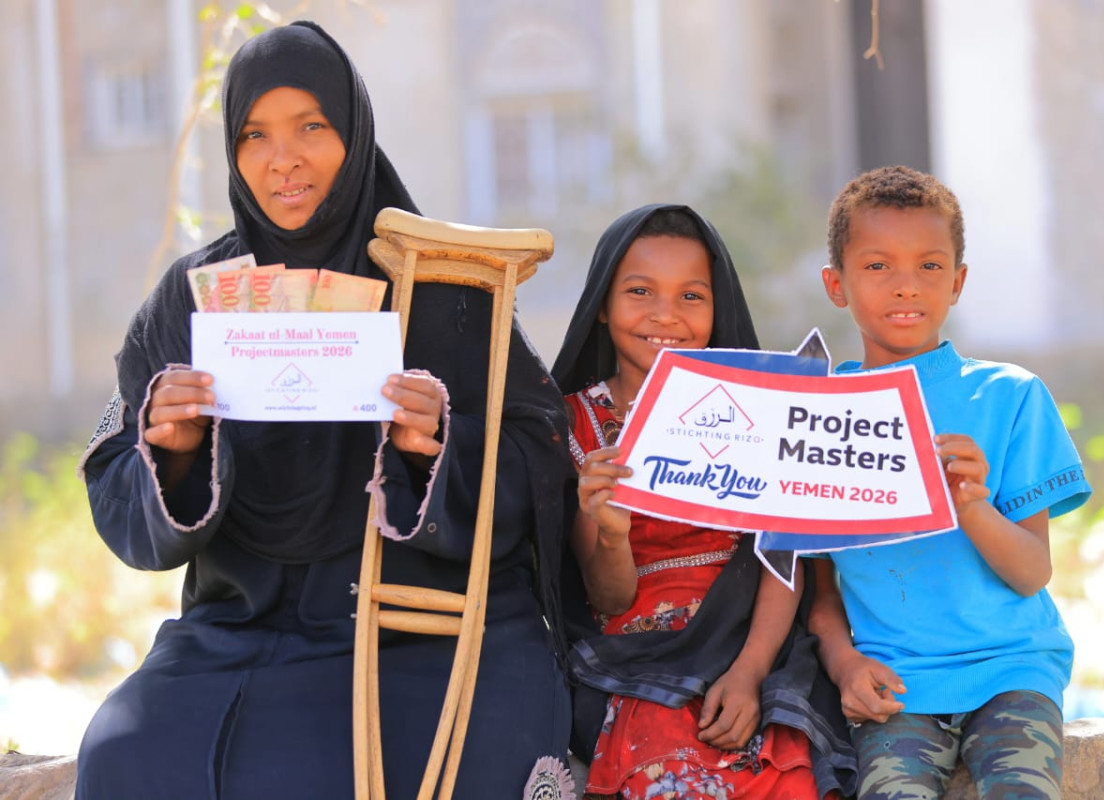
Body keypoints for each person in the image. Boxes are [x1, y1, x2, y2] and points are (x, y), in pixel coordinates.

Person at [75, 21, 574, 800]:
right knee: (124, 753)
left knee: (405, 761)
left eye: (311, 127)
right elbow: (112, 466)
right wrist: (169, 452)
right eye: (255, 134)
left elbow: (542, 452)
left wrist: (439, 446)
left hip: (422, 627)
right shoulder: (191, 300)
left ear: (354, 131)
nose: (283, 159)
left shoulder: (446, 291)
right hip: (240, 627)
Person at [552, 204, 858, 800]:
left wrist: (749, 672)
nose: (665, 314)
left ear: (719, 308)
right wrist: (611, 532)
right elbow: (607, 599)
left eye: (691, 296)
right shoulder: (576, 426)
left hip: (756, 641)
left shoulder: (762, 409)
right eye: (640, 291)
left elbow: (783, 558)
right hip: (643, 657)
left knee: (787, 773)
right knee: (670, 763)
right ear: (602, 305)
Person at [809, 165, 1092, 800]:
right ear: (836, 284)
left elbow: (1032, 572)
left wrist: (971, 505)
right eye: (877, 265)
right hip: (897, 684)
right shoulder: (821, 414)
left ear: (958, 281)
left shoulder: (1010, 396)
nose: (906, 284)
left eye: (930, 266)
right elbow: (818, 587)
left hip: (1012, 670)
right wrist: (844, 663)